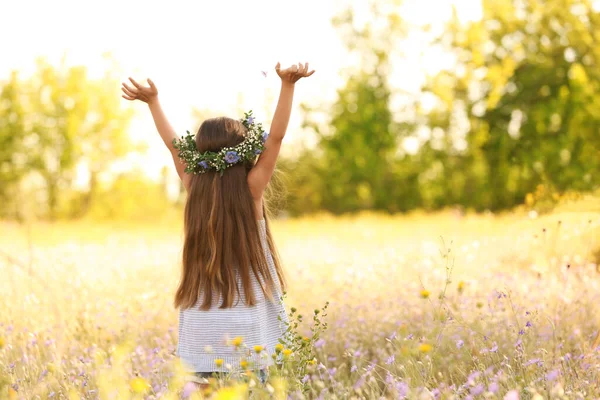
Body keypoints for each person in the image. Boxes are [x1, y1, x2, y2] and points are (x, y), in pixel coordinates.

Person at [121, 62, 315, 393]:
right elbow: (278, 137)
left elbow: (172, 145)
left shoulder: (193, 185)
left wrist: (153, 103)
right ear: (244, 151)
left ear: (199, 152)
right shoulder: (251, 190)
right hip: (246, 330)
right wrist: (287, 86)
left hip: (202, 329)